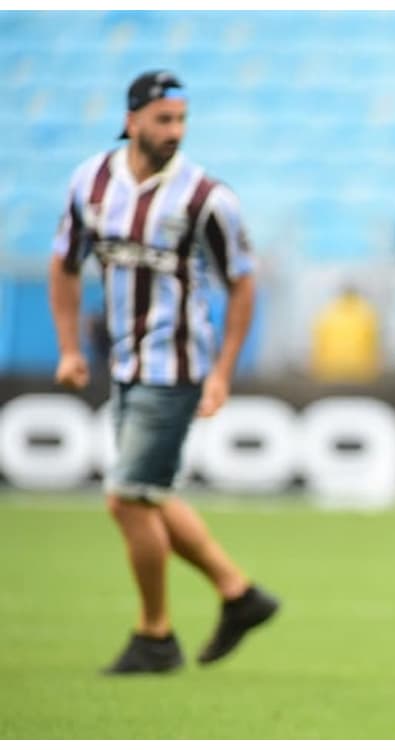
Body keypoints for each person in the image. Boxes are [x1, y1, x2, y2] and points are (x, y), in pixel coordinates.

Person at [48, 70, 280, 675]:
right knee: (147, 494)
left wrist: (224, 372)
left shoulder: (207, 197)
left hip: (175, 365)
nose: (175, 131)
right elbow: (64, 263)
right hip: (121, 361)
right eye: (163, 120)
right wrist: (69, 348)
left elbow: (243, 282)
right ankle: (239, 594)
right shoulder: (90, 183)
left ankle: (156, 636)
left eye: (181, 120)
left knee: (128, 499)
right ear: (131, 121)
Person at [310, 284, 381, 383]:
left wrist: (315, 366)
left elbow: (319, 342)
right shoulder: (367, 312)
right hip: (360, 370)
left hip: (330, 368)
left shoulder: (328, 312)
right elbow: (373, 343)